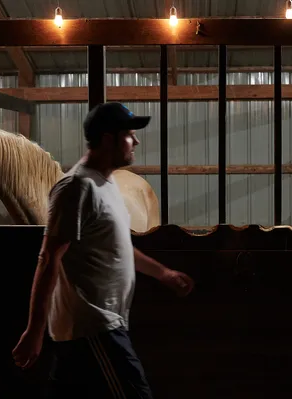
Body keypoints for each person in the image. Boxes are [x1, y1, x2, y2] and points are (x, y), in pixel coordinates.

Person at [11, 102, 195, 398]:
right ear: (108, 139)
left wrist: (163, 274)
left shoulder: (105, 184)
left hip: (97, 328)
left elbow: (118, 247)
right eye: (129, 135)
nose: (136, 141)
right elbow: (49, 258)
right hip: (94, 328)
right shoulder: (76, 188)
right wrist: (34, 331)